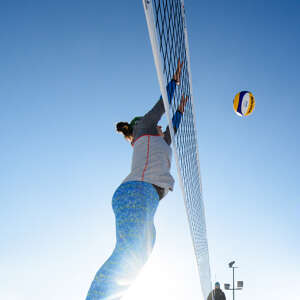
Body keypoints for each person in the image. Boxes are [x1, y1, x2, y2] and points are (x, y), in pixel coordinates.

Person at [86, 59, 188, 300]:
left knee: (142, 253)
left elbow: (172, 125)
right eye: (158, 125)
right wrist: (174, 81)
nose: (162, 126)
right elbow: (160, 107)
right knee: (128, 253)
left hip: (146, 200)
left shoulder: (162, 143)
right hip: (136, 194)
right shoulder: (144, 127)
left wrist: (181, 112)